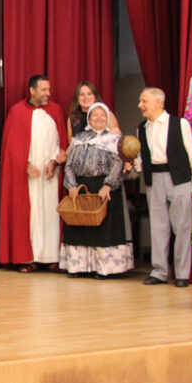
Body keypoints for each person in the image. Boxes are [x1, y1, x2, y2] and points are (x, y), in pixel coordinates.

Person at [0, 75, 68, 272]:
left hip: (50, 173)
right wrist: (25, 164)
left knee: (51, 213)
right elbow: (11, 147)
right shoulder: (17, 111)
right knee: (31, 214)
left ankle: (52, 257)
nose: (48, 93)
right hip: (27, 176)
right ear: (32, 90)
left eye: (49, 89)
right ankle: (28, 257)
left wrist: (54, 161)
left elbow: (61, 141)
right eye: (44, 90)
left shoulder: (55, 110)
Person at [137, 87, 192, 288]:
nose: (140, 105)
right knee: (158, 226)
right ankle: (159, 272)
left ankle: (182, 274)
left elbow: (191, 153)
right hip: (154, 179)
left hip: (179, 178)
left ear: (158, 102)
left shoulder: (179, 124)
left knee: (182, 226)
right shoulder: (142, 128)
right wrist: (134, 164)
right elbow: (143, 157)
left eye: (144, 101)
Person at [59, 103, 133, 279]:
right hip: (81, 187)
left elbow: (117, 163)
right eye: (95, 115)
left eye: (102, 115)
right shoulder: (79, 138)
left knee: (102, 229)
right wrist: (71, 186)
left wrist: (108, 185)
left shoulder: (113, 139)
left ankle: (104, 269)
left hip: (104, 188)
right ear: (89, 119)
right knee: (79, 226)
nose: (99, 118)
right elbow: (69, 165)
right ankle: (79, 267)